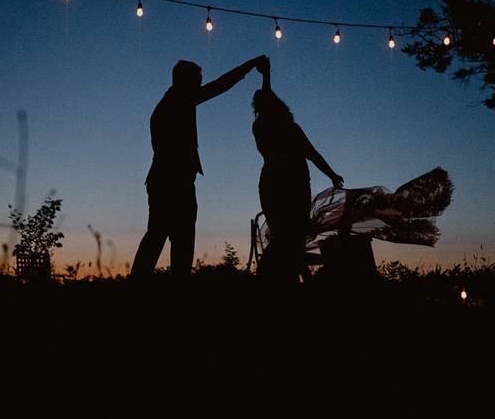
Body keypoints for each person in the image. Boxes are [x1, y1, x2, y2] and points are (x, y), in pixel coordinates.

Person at [131, 55, 267, 280]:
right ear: (185, 81)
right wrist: (250, 65)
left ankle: (142, 289)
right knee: (172, 242)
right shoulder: (178, 101)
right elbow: (220, 85)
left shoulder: (169, 104)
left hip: (169, 181)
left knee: (160, 239)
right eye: (197, 81)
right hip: (173, 183)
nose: (200, 86)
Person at [252, 56, 343, 284]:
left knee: (289, 238)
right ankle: (285, 279)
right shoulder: (274, 127)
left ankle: (284, 280)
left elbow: (312, 153)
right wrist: (266, 76)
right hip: (285, 186)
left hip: (285, 185)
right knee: (288, 238)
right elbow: (312, 154)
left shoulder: (272, 127)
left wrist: (331, 174)